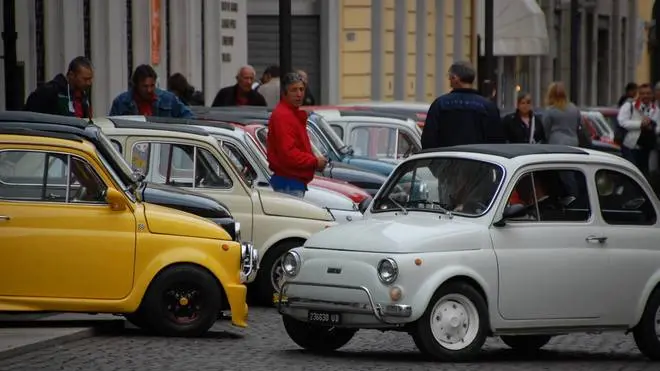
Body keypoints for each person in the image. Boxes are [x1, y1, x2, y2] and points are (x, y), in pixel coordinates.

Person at [266, 72, 327, 197]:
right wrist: (315, 162)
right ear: (284, 93)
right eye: (294, 90)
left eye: (301, 89)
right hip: (289, 183)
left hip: (291, 181)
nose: (299, 94)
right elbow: (289, 154)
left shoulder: (291, 114)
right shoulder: (284, 116)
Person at [420, 61, 504, 149]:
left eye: (450, 77)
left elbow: (428, 139)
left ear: (455, 78)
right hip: (479, 159)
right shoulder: (488, 106)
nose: (449, 80)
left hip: (447, 158)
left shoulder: (440, 104)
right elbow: (497, 141)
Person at [109, 64, 193, 118]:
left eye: (152, 85)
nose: (149, 90)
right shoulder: (121, 102)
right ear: (136, 85)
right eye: (145, 86)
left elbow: (188, 117)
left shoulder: (168, 100)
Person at [24, 56, 94, 118]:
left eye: (90, 79)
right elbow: (29, 114)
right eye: (85, 79)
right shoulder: (50, 91)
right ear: (71, 75)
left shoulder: (83, 95)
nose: (89, 83)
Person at [617, 83, 660, 175]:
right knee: (632, 173)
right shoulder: (629, 106)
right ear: (639, 94)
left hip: (647, 147)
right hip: (631, 146)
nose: (646, 96)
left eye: (648, 93)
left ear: (652, 95)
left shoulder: (656, 110)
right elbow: (622, 122)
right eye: (643, 93)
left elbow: (658, 127)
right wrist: (640, 124)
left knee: (645, 173)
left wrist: (652, 127)